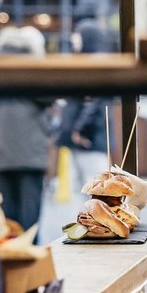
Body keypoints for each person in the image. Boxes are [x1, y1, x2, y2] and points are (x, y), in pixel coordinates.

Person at [0, 27, 55, 237]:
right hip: (30, 153)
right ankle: (30, 262)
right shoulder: (33, 68)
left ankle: (11, 261)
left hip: (0, 154)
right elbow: (50, 97)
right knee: (30, 218)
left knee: (8, 220)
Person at [57, 21, 114, 188]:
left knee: (94, 188)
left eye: (78, 34)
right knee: (84, 187)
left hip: (89, 139)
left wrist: (79, 130)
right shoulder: (86, 62)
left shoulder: (95, 65)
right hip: (83, 139)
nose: (73, 38)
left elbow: (95, 102)